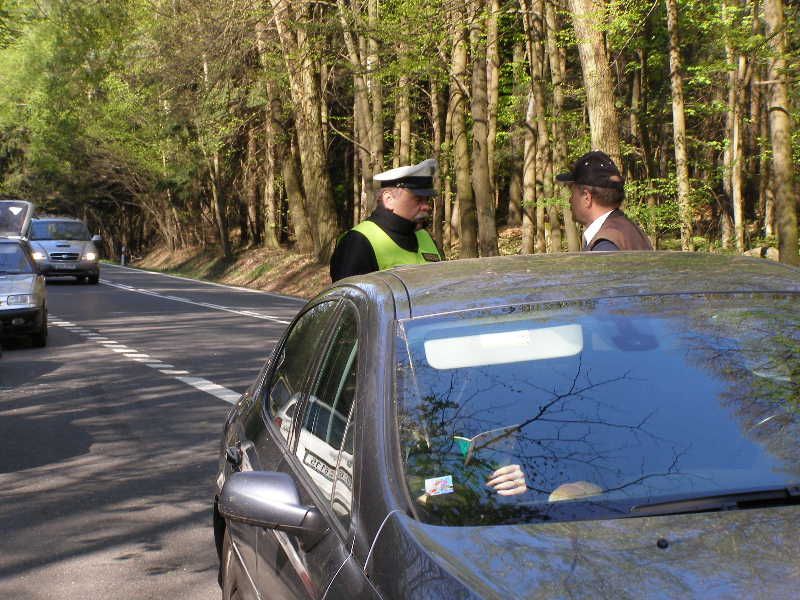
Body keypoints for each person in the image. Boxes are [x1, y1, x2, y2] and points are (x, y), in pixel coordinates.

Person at [330, 158, 442, 282]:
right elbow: (350, 299)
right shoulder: (358, 242)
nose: (427, 206)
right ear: (388, 199)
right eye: (418, 199)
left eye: (427, 200)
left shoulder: (425, 237)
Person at [556, 151, 653, 251]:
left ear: (586, 197)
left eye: (572, 192)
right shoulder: (627, 229)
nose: (570, 199)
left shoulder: (605, 246)